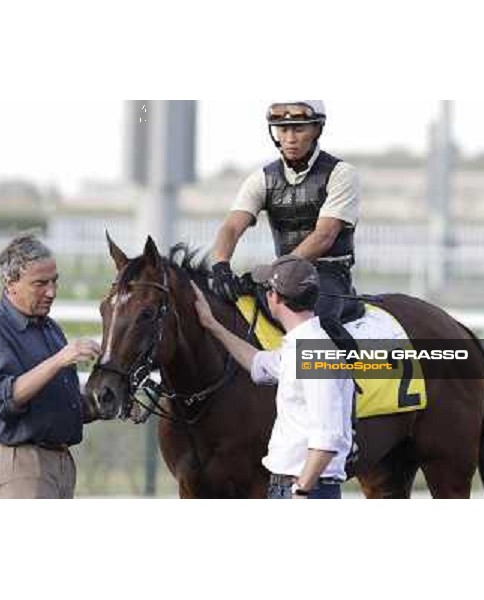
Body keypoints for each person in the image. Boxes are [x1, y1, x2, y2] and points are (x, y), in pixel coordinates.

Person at [193, 255, 354, 499]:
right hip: (295, 486)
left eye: (266, 288)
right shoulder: (300, 345)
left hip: (306, 488)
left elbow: (327, 439)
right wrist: (212, 324)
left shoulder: (312, 351)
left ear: (275, 297)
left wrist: (301, 491)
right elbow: (258, 364)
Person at [0, 233, 101, 499]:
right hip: (21, 464)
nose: (51, 292)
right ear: (10, 283)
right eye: (40, 283)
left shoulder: (50, 329)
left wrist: (105, 404)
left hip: (61, 463)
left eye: (54, 281)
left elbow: (61, 404)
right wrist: (61, 358)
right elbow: (1, 399)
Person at [211, 100, 363, 330]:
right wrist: (220, 265)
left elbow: (324, 236)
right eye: (283, 129)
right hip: (281, 277)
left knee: (319, 323)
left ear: (316, 130)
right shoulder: (261, 178)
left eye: (299, 129)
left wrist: (274, 272)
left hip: (328, 276)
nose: (290, 138)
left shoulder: (342, 174)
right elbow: (231, 228)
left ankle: (349, 366)